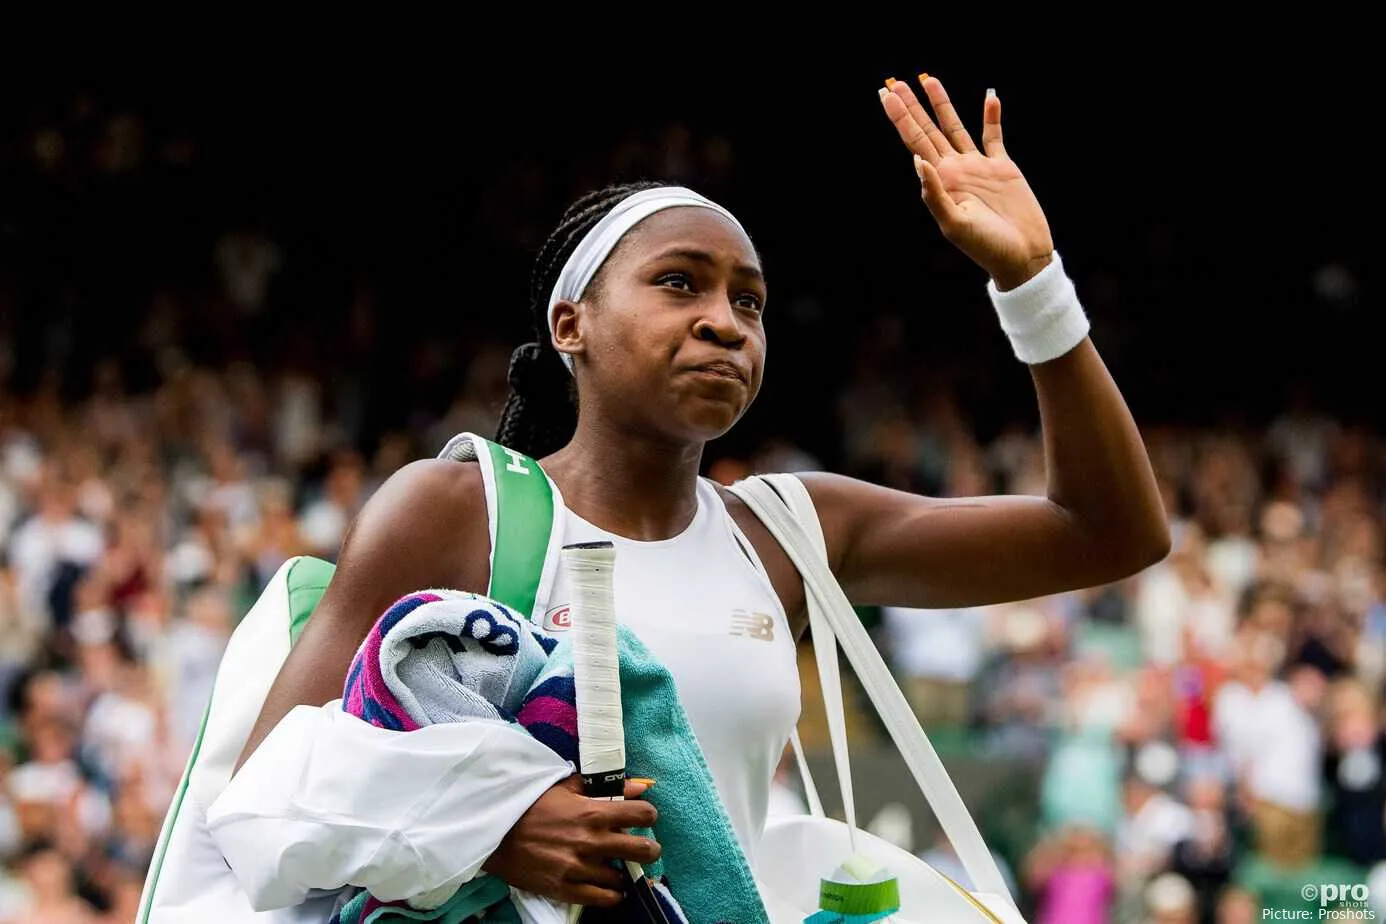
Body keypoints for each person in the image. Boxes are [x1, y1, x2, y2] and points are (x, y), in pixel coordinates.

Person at [231, 75, 1170, 911]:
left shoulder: (795, 533)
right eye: (679, 284)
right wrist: (499, 828)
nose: (724, 322)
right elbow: (263, 795)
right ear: (572, 324)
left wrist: (1030, 280)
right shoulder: (456, 509)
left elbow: (1108, 533)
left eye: (750, 302)